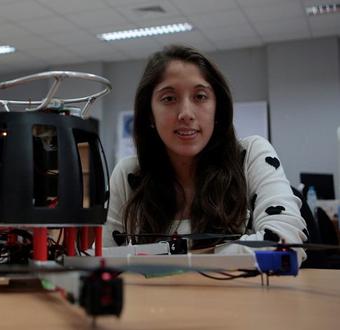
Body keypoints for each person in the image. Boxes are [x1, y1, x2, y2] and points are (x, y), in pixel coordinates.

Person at [104, 45, 307, 261]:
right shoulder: (129, 175)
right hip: (155, 297)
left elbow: (286, 244)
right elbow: (104, 257)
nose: (186, 114)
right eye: (169, 98)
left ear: (217, 109)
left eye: (200, 96)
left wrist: (177, 260)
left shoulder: (250, 156)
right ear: (150, 115)